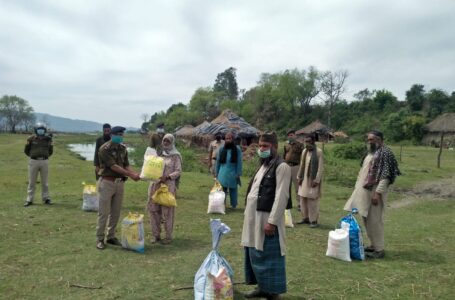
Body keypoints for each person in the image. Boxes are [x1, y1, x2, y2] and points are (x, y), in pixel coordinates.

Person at [241, 132, 291, 300]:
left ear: (275, 147)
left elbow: (281, 197)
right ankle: (262, 287)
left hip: (267, 218)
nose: (261, 149)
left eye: (265, 146)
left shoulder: (281, 166)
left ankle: (273, 293)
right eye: (260, 146)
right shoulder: (263, 165)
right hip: (253, 217)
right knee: (255, 252)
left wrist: (272, 222)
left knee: (270, 254)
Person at [344, 130, 400, 259]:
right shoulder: (370, 154)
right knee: (366, 219)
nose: (369, 142)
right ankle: (372, 245)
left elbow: (385, 176)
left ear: (380, 140)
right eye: (368, 139)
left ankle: (379, 249)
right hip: (363, 192)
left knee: (375, 221)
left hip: (375, 193)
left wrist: (378, 193)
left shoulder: (385, 153)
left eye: (372, 139)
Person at [96, 126, 140, 250]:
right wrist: (131, 175)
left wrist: (136, 174)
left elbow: (126, 165)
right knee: (103, 212)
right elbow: (114, 166)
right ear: (111, 135)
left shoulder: (123, 149)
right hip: (107, 183)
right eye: (118, 134)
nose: (120, 136)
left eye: (122, 134)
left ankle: (111, 236)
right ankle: (100, 238)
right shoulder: (104, 149)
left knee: (115, 212)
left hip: (120, 183)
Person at [148, 133, 182, 245]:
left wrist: (167, 177)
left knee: (167, 212)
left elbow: (178, 171)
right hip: (155, 185)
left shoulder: (175, 156)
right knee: (154, 210)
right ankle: (155, 235)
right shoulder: (158, 154)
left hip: (168, 187)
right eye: (164, 141)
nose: (165, 143)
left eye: (168, 141)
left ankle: (168, 236)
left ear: (172, 142)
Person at [296, 134, 324, 228]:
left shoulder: (319, 152)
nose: (307, 143)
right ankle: (305, 218)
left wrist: (316, 180)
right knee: (303, 199)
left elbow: (320, 168)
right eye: (306, 141)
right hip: (303, 179)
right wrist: (299, 177)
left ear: (313, 141)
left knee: (312, 200)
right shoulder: (304, 151)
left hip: (313, 180)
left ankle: (313, 220)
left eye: (309, 141)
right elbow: (301, 165)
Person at [24, 123, 54, 207]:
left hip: (44, 161)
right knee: (32, 182)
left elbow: (51, 151)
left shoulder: (48, 139)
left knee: (45, 182)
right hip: (33, 161)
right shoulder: (30, 139)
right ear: (36, 130)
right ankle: (29, 199)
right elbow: (26, 150)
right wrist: (33, 157)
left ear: (45, 130)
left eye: (42, 129)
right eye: (39, 129)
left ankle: (46, 198)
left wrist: (45, 157)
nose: (41, 131)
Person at [215, 131, 242, 209]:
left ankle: (234, 205)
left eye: (229, 138)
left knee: (233, 189)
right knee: (221, 190)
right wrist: (216, 172)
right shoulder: (222, 149)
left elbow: (239, 162)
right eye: (226, 138)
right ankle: (222, 204)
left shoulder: (237, 149)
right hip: (222, 173)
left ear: (233, 139)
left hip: (233, 173)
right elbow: (218, 162)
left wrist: (238, 173)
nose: (228, 140)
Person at [283, 129, 304, 206]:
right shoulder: (286, 145)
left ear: (295, 135)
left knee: (297, 186)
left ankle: (299, 204)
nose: (290, 137)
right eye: (288, 135)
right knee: (286, 186)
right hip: (287, 166)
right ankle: (287, 203)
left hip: (296, 167)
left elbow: (303, 156)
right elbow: (284, 155)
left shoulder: (300, 145)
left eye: (291, 135)